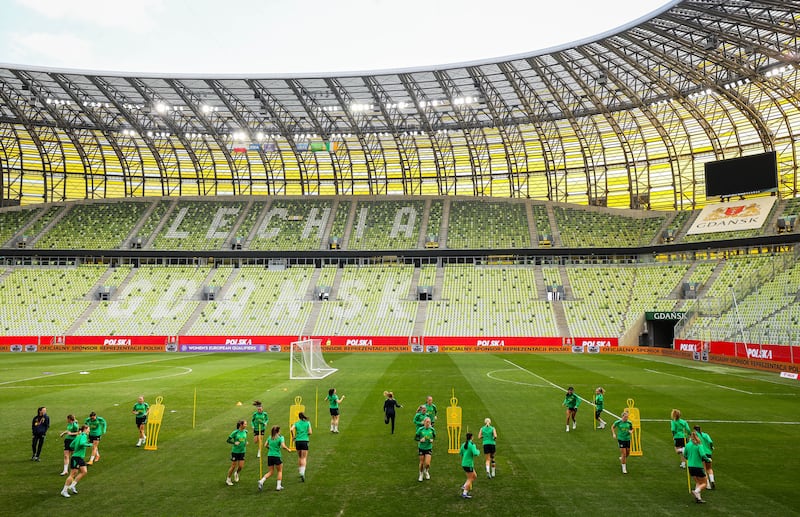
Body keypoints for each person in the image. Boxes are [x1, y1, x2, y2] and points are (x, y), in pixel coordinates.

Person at [60, 425, 92, 498]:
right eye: (88, 429)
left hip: (79, 457)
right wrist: (89, 444)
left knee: (84, 471)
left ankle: (72, 486)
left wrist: (76, 448)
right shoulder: (83, 436)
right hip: (77, 457)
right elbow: (81, 443)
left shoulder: (78, 436)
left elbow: (71, 445)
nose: (89, 431)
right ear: (85, 429)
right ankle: (64, 490)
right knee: (72, 474)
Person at [258, 425, 290, 491]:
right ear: (278, 431)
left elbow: (265, 445)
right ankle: (278, 486)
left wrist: (271, 448)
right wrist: (288, 449)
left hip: (270, 456)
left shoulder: (270, 437)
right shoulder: (281, 437)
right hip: (277, 456)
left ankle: (262, 481)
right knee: (280, 471)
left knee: (271, 471)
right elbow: (283, 446)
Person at [684, 431, 712, 503]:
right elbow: (703, 455)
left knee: (698, 482)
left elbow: (685, 455)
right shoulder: (699, 445)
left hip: (690, 467)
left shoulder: (687, 445)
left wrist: (690, 458)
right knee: (704, 483)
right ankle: (696, 491)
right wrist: (708, 460)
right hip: (698, 467)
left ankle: (698, 499)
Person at [290, 412, 312, 482]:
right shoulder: (307, 423)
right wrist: (305, 433)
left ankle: (300, 470)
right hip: (304, 441)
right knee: (304, 457)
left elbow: (291, 429)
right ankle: (302, 472)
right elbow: (310, 432)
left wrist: (293, 436)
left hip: (298, 441)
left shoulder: (296, 423)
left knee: (299, 457)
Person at [226, 419, 248, 486]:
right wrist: (234, 442)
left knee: (241, 466)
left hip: (242, 451)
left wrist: (245, 442)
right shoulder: (235, 432)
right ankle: (228, 479)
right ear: (241, 425)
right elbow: (228, 440)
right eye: (245, 424)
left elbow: (244, 439)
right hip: (235, 451)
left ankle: (236, 473)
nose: (246, 425)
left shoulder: (246, 432)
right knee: (233, 466)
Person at [459, 432, 481, 499]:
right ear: (471, 437)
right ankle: (464, 493)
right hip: (469, 464)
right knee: (470, 479)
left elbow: (461, 453)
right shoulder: (472, 445)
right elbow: (475, 453)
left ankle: (465, 485)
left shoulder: (463, 444)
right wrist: (478, 451)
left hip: (464, 463)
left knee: (474, 476)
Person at [415, 417, 436, 482]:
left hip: (428, 448)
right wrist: (420, 440)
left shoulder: (432, 430)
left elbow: (434, 437)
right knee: (421, 462)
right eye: (427, 422)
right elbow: (416, 438)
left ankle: (426, 471)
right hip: (421, 448)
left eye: (429, 422)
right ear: (424, 422)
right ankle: (421, 474)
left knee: (427, 464)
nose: (428, 423)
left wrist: (432, 440)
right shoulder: (420, 429)